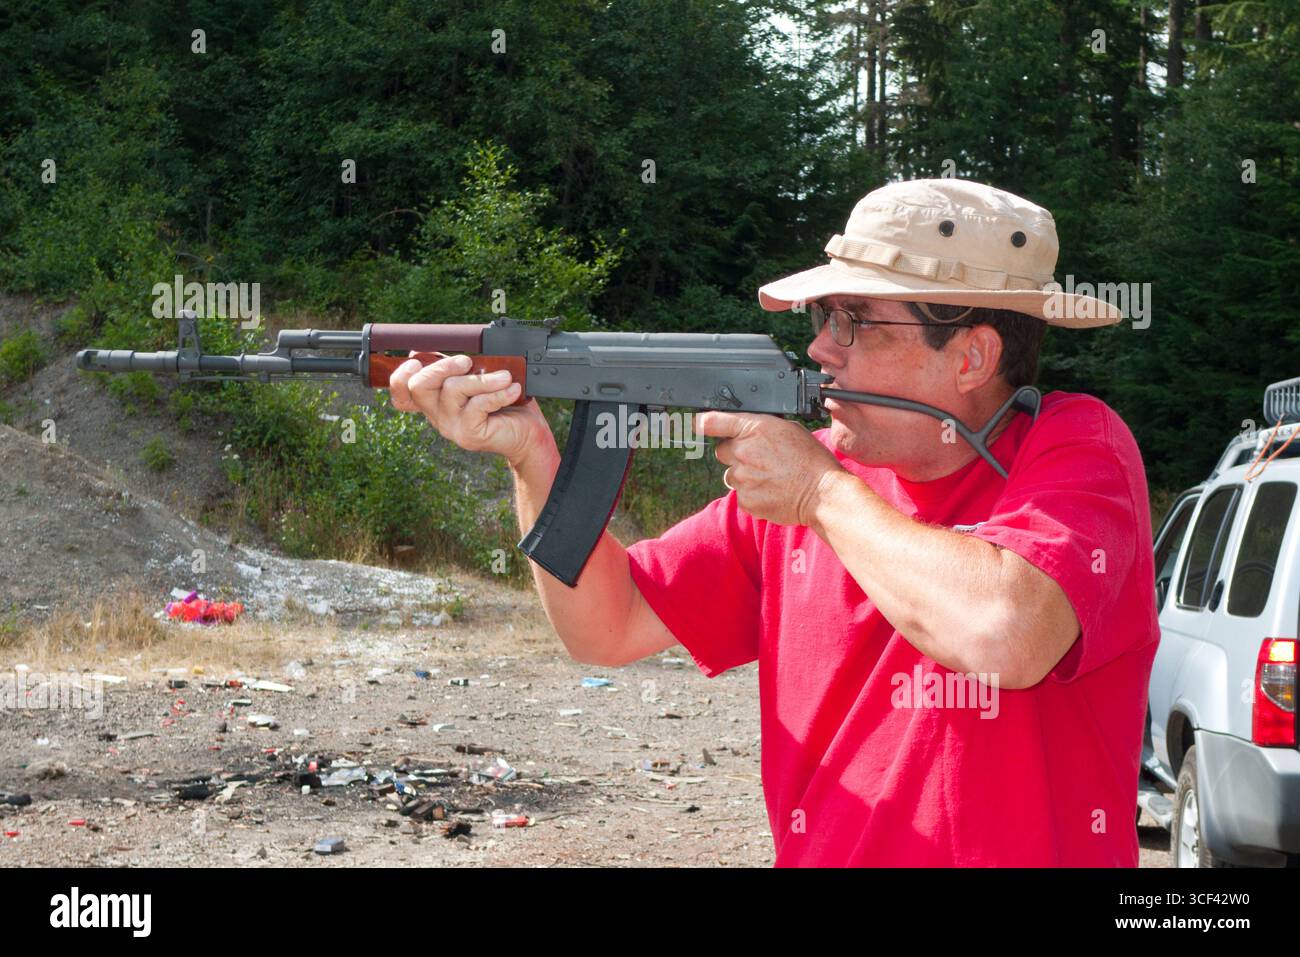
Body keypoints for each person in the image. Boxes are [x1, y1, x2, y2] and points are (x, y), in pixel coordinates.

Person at [388, 179, 1160, 866]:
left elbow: (1005, 634)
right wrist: (531, 455)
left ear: (971, 355)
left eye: (857, 322)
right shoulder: (810, 480)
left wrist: (819, 495)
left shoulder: (1075, 445)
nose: (822, 346)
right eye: (826, 316)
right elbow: (607, 624)